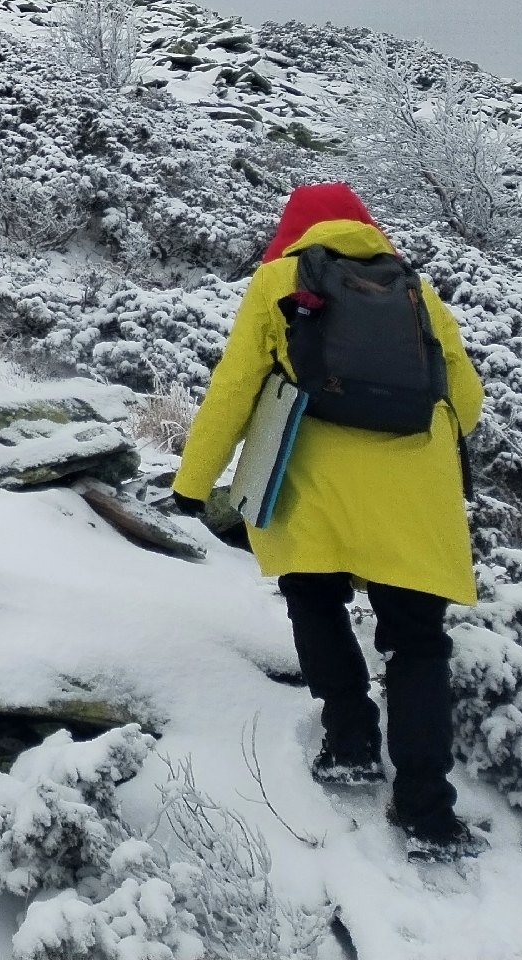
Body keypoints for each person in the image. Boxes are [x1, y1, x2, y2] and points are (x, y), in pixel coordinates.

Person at [169, 183, 486, 862]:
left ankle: (350, 744)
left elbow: (234, 386)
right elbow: (465, 396)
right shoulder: (413, 289)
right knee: (419, 643)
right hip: (414, 489)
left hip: (313, 482)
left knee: (314, 599)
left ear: (293, 231)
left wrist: (194, 484)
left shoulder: (278, 281)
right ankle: (428, 808)